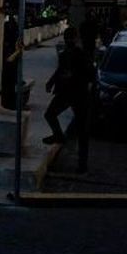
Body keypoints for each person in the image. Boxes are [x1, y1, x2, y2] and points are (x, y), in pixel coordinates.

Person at [42, 27, 94, 172]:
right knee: (49, 114)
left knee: (83, 132)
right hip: (65, 93)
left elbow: (91, 74)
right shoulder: (64, 54)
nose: (68, 41)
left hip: (80, 94)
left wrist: (74, 77)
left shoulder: (83, 55)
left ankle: (82, 165)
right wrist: (51, 82)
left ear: (76, 39)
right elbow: (60, 69)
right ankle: (58, 136)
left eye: (71, 38)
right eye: (67, 39)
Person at [0, 14, 24, 110]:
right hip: (7, 73)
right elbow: (8, 59)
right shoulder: (6, 43)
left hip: (11, 73)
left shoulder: (10, 42)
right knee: (8, 91)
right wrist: (18, 51)